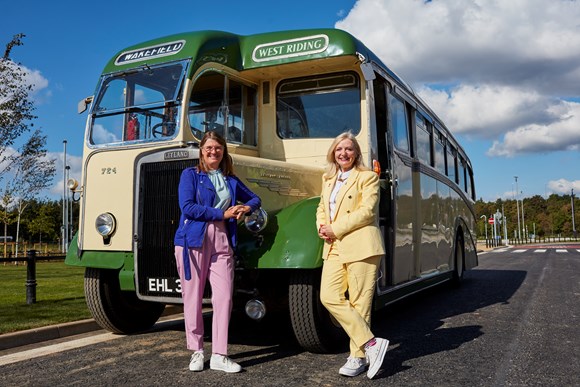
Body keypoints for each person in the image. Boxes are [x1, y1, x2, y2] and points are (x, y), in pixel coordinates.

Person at [174, 131, 261, 373]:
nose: (214, 152)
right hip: (192, 240)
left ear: (224, 152)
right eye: (209, 147)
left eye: (218, 148)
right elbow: (188, 208)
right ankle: (197, 351)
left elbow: (256, 199)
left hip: (223, 241)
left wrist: (245, 206)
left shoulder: (230, 179)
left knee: (224, 298)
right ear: (202, 150)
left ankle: (220, 355)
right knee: (193, 298)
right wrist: (221, 213)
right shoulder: (190, 175)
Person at [316, 131, 388, 379]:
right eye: (339, 149)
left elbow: (367, 212)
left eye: (348, 149)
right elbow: (321, 207)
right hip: (334, 247)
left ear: (356, 153)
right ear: (333, 153)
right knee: (329, 296)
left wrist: (335, 228)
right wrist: (321, 226)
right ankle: (372, 343)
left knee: (360, 303)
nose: (343, 153)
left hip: (362, 246)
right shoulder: (328, 179)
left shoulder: (367, 177)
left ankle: (357, 357)